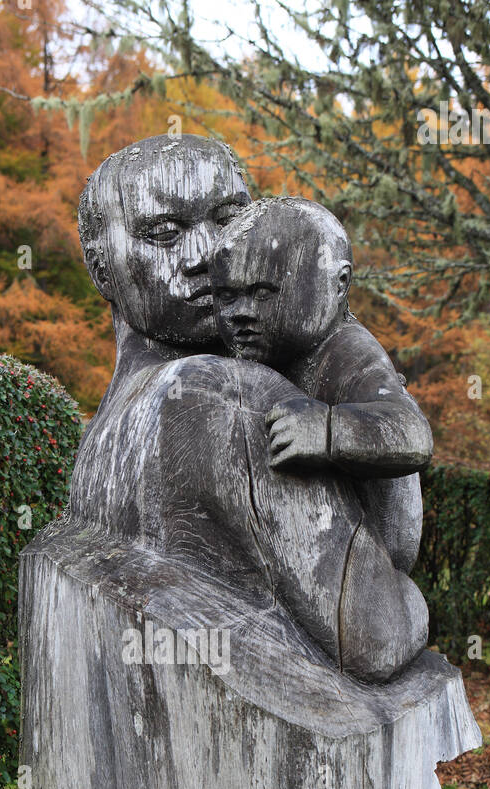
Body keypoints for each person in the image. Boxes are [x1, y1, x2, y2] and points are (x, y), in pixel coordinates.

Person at [72, 133, 428, 681]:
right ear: (101, 271)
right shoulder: (220, 395)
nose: (208, 255)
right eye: (165, 234)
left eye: (229, 217)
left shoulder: (102, 439)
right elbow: (379, 635)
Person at [210, 196, 428, 573]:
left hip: (364, 564)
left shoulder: (348, 351)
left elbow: (412, 434)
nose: (242, 312)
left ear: (338, 283)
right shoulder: (266, 350)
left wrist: (328, 429)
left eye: (263, 293)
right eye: (228, 296)